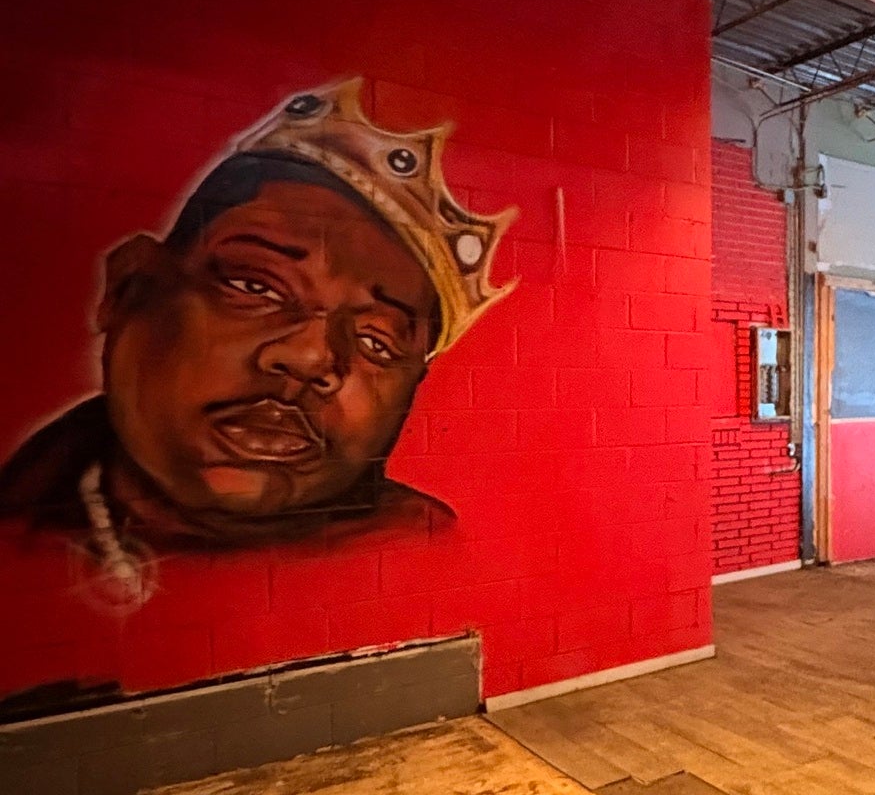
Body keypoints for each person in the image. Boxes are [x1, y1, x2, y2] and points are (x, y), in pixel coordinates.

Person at [0, 81, 514, 605]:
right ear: (130, 287)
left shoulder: (417, 546)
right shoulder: (21, 521)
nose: (312, 358)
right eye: (255, 287)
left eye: (376, 341)